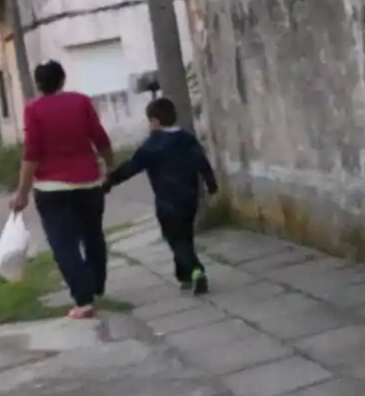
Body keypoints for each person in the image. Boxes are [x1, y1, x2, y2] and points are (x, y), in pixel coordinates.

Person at [11, 60, 115, 320]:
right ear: (63, 79)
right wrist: (110, 166)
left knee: (63, 243)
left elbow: (32, 153)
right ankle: (97, 285)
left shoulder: (34, 109)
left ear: (38, 83)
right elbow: (100, 138)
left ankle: (83, 299)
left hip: (51, 188)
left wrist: (22, 192)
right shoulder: (81, 102)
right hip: (88, 182)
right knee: (93, 235)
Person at [104, 97, 218, 294]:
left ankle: (196, 271)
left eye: (150, 121)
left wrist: (109, 182)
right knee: (184, 236)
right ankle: (183, 276)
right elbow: (202, 161)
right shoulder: (186, 138)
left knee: (174, 238)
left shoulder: (151, 145)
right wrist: (211, 183)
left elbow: (131, 166)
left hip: (167, 201)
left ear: (155, 121)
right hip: (190, 197)